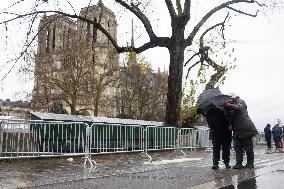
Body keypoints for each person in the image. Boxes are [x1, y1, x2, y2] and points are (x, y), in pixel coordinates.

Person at [224, 95, 258, 169]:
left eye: (230, 99)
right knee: (238, 148)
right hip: (237, 130)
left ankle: (250, 163)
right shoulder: (231, 107)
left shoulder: (241, 101)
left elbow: (239, 108)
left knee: (248, 147)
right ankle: (238, 163)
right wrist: (227, 109)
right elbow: (230, 117)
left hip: (246, 129)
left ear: (233, 98)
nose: (229, 101)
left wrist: (229, 104)